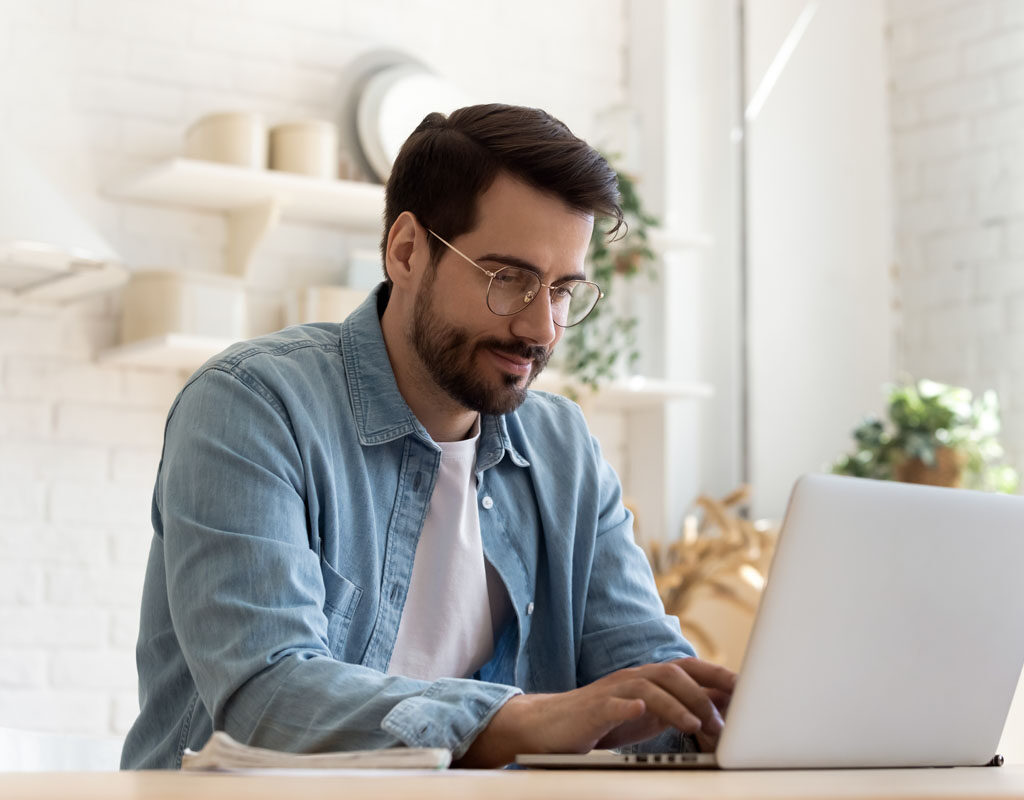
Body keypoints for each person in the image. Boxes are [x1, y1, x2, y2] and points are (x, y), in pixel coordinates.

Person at [121, 103, 735, 770]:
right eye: (510, 279)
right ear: (407, 251)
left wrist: (721, 717)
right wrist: (520, 719)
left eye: (561, 291)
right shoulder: (252, 407)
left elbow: (645, 674)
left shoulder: (564, 450)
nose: (542, 330)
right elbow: (266, 698)